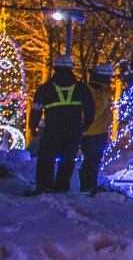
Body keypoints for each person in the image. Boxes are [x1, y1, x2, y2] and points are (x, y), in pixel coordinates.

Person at [28, 55, 97, 195]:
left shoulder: (45, 89)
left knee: (46, 158)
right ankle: (61, 187)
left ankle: (44, 186)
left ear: (55, 68)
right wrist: (86, 124)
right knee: (68, 159)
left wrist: (32, 126)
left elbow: (36, 109)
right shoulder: (81, 88)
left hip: (53, 130)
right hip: (74, 130)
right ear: (71, 68)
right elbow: (90, 107)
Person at [79, 63, 118, 193]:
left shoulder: (86, 88)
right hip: (97, 131)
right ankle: (89, 185)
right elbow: (96, 110)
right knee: (93, 160)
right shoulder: (103, 92)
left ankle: (87, 184)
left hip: (85, 131)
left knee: (88, 159)